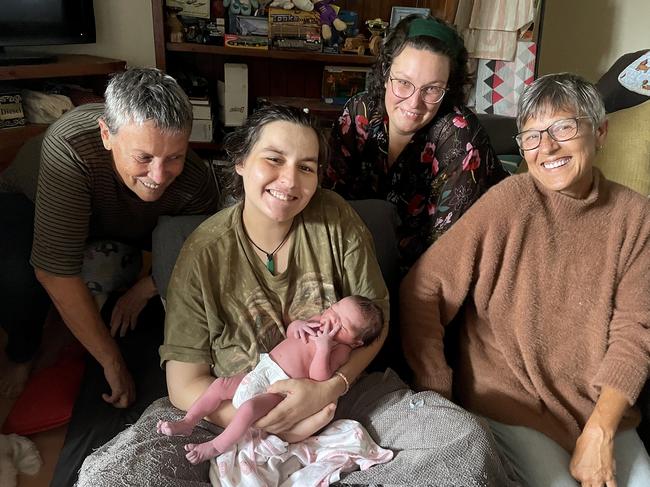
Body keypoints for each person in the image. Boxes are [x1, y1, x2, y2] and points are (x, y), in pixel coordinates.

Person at [75, 104, 515, 487]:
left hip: (347, 396)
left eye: (306, 166)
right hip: (230, 405)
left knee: (465, 446)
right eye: (274, 159)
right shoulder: (204, 251)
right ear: (241, 162)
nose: (290, 180)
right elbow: (185, 383)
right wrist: (262, 423)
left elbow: (375, 320)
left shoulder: (336, 219)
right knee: (111, 477)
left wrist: (328, 390)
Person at [400, 73, 650, 487]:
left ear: (600, 132)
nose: (546, 147)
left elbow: (636, 331)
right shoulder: (509, 202)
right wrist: (435, 387)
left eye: (563, 128)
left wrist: (602, 428)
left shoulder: (636, 216)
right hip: (511, 404)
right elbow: (424, 288)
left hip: (603, 409)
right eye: (531, 137)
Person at [0, 67, 221, 486]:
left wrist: (146, 285)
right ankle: (23, 353)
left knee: (157, 262)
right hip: (27, 205)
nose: (159, 175)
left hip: (117, 229)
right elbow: (53, 268)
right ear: (106, 135)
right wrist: (111, 361)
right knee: (17, 273)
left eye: (173, 156)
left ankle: (96, 304)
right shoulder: (70, 145)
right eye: (144, 157)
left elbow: (196, 251)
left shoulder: (193, 179)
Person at [323, 14, 509, 274]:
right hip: (365, 260)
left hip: (444, 273)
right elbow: (330, 201)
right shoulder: (359, 111)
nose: (413, 102)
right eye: (403, 83)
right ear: (386, 72)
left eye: (431, 89)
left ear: (449, 88)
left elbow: (446, 256)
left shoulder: (459, 137)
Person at [157, 295, 383, 464]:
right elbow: (292, 332)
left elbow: (319, 377)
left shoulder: (340, 349)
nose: (330, 321)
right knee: (221, 385)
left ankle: (217, 446)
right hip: (264, 369)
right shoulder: (318, 321)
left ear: (356, 343)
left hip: (280, 389)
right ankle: (188, 422)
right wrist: (299, 326)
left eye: (341, 325)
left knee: (249, 410)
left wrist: (323, 348)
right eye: (332, 310)